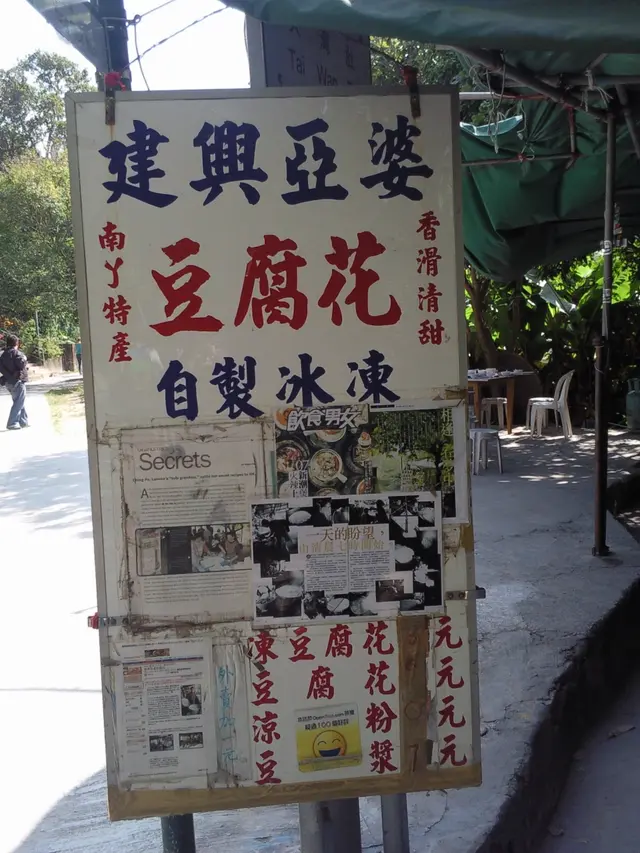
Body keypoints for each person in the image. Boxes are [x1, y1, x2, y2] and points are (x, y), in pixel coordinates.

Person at [0, 335, 28, 430]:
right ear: (16, 343)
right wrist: (24, 358)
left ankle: (23, 421)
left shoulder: (3, 354)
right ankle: (12, 423)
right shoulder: (17, 353)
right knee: (18, 402)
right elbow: (21, 364)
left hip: (8, 381)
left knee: (19, 401)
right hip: (18, 381)